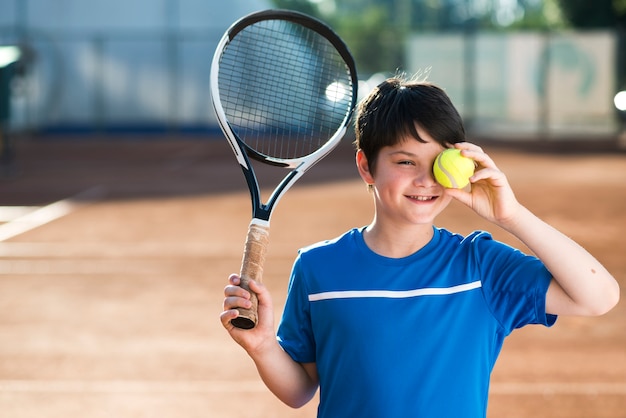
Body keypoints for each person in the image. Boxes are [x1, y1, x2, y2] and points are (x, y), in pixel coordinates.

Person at [220, 76, 620, 417]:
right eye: (406, 162)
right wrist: (264, 347)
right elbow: (299, 390)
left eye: (439, 162)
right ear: (366, 166)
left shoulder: (480, 267)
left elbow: (598, 297)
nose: (426, 180)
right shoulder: (318, 267)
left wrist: (510, 216)